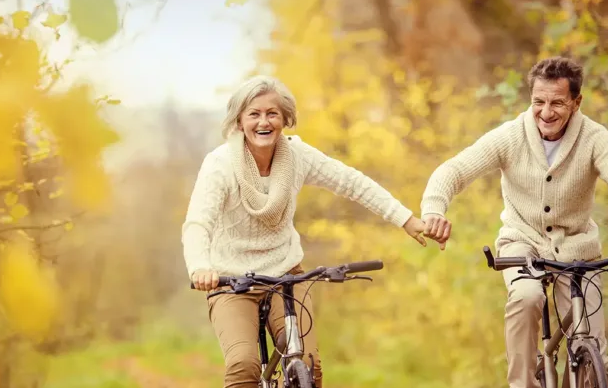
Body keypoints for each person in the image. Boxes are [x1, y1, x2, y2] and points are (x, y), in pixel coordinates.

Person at [419, 57, 608, 388]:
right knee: (525, 297)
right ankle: (522, 382)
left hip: (577, 248)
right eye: (539, 101)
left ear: (577, 102)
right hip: (522, 243)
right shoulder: (510, 136)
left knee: (594, 357)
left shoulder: (594, 138)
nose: (546, 112)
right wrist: (434, 208)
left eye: (557, 103)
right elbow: (455, 170)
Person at [181, 75, 426, 388]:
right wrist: (200, 267)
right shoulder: (220, 165)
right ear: (239, 122)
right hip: (231, 282)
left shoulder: (297, 156)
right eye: (254, 114)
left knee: (307, 362)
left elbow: (351, 182)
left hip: (286, 275)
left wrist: (405, 219)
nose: (263, 122)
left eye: (272, 113)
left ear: (285, 119)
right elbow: (198, 223)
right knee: (244, 364)